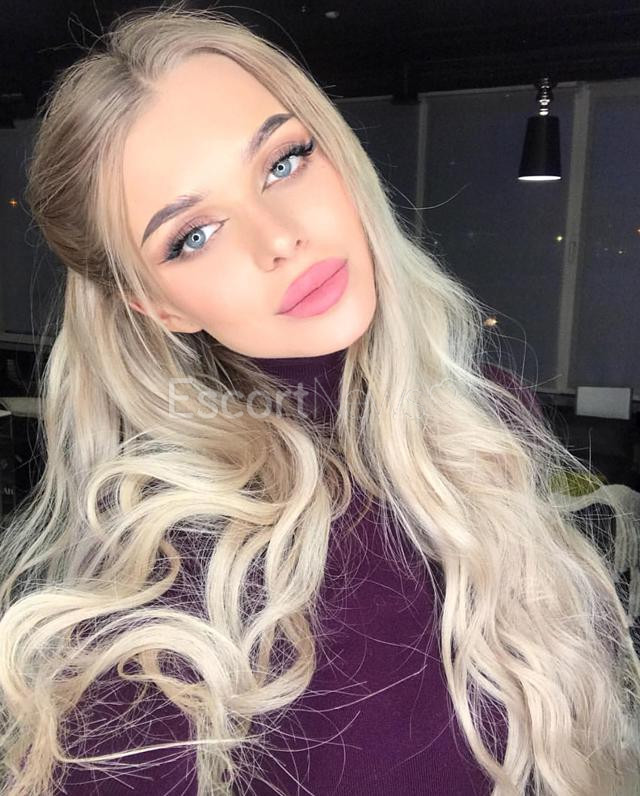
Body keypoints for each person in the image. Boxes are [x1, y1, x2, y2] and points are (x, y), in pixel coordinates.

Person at [0, 5, 638, 795]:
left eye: (283, 161)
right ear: (159, 307)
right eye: (193, 235)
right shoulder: (175, 598)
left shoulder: (488, 417)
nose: (278, 237)